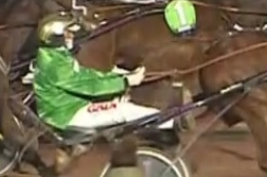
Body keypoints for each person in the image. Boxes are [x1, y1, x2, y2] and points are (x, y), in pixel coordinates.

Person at [32, 13, 172, 132]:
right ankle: (172, 124)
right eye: (67, 33)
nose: (71, 36)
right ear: (55, 38)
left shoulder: (55, 55)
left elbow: (86, 76)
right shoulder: (54, 64)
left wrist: (119, 75)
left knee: (122, 102)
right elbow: (88, 86)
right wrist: (125, 82)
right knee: (125, 111)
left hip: (69, 108)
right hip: (66, 116)